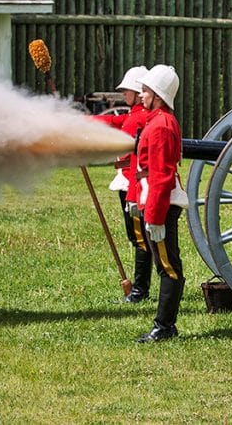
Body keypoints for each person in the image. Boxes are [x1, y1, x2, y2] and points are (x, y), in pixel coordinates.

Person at [134, 64, 186, 343]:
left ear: (158, 95)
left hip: (161, 204)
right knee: (165, 264)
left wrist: (154, 216)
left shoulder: (161, 125)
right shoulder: (157, 121)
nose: (141, 95)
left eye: (145, 91)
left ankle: (164, 327)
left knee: (168, 267)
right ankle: (164, 325)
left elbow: (162, 175)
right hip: (153, 201)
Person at [94, 65, 151, 303]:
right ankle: (141, 287)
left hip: (134, 185)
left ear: (138, 92)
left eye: (127, 90)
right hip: (130, 182)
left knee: (140, 240)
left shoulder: (139, 117)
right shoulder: (135, 115)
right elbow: (114, 122)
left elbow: (122, 128)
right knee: (138, 239)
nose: (124, 94)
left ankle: (140, 290)